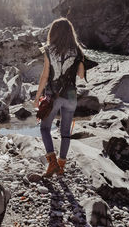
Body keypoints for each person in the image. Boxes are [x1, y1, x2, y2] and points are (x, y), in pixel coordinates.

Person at [34, 17, 85, 178]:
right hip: (70, 94)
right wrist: (80, 61)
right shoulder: (78, 50)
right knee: (65, 133)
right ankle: (61, 166)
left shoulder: (49, 50)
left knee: (44, 128)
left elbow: (45, 76)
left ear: (53, 32)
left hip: (53, 94)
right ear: (70, 33)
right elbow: (81, 75)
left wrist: (37, 97)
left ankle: (52, 164)